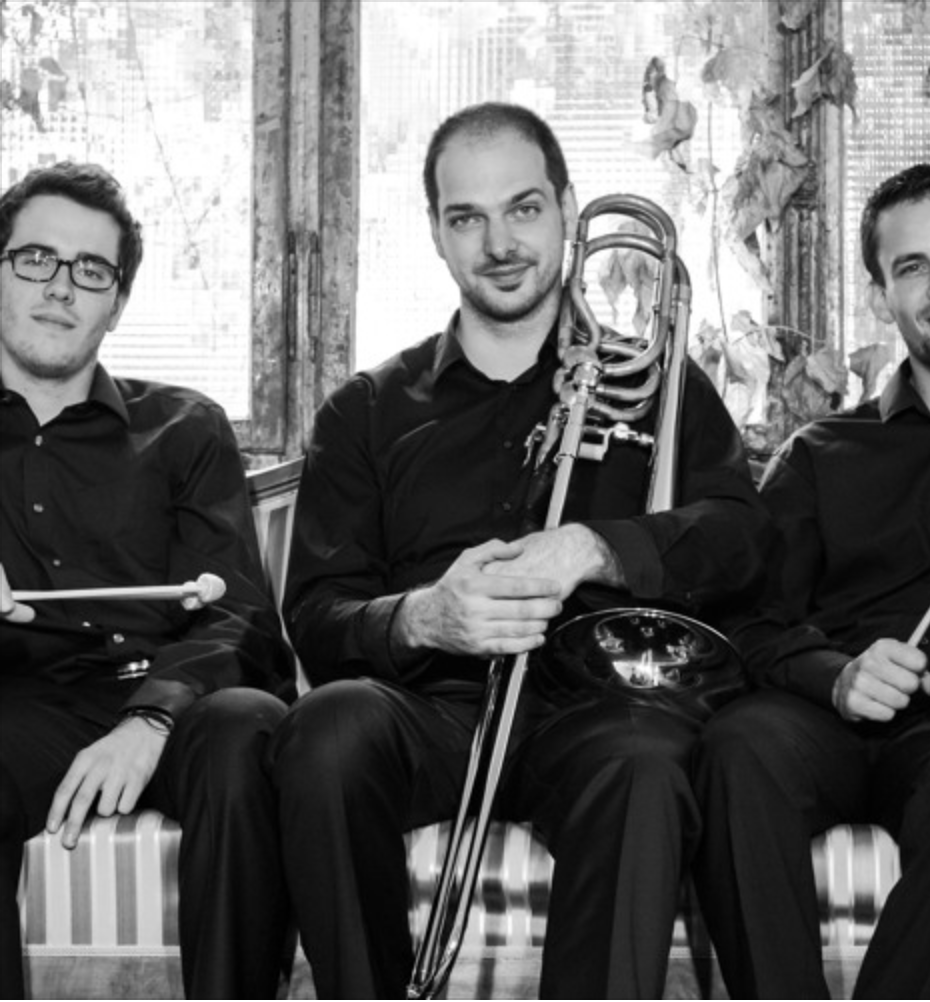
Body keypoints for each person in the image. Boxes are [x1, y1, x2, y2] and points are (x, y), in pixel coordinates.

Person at [271, 101, 772, 999]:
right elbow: (316, 615)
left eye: (525, 208)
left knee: (645, 762)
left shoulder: (659, 383)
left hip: (598, 713)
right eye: (467, 217)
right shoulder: (366, 411)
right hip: (430, 713)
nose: (499, 243)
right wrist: (423, 617)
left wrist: (596, 547)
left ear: (568, 210)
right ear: (436, 232)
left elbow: (742, 540)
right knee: (327, 727)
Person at [693, 161, 930, 999]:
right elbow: (749, 627)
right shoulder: (820, 453)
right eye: (912, 266)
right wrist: (837, 677)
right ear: (880, 295)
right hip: (823, 724)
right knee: (739, 746)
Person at [0, 162, 296, 999]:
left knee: (247, 727)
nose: (62, 287)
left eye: (92, 270)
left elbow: (240, 614)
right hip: (18, 707)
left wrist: (152, 716)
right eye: (36, 259)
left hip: (175, 703)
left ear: (118, 302)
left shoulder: (185, 428)